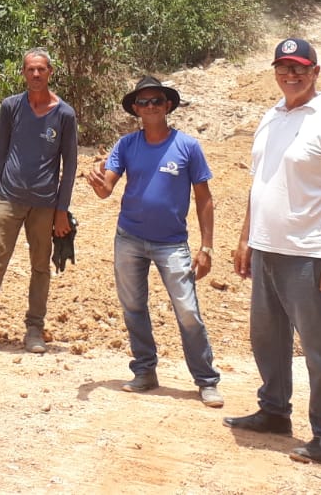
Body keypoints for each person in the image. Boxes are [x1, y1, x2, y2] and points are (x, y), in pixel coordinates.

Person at [225, 38, 321, 467]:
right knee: (267, 338)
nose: (291, 75)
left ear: (315, 72)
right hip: (267, 248)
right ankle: (273, 411)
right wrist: (247, 238)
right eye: (284, 67)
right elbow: (260, 183)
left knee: (319, 349)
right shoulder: (271, 117)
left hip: (309, 255)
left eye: (300, 68)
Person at [87, 76, 223, 408]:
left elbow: (204, 198)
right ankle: (145, 372)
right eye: (143, 102)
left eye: (156, 101)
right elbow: (107, 189)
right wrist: (98, 183)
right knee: (134, 307)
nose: (150, 107)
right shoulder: (126, 145)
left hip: (172, 244)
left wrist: (206, 247)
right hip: (129, 239)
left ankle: (206, 380)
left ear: (168, 105)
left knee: (187, 311)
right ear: (136, 109)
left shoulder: (188, 147)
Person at [0, 48, 78, 355]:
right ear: (23, 73)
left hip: (45, 203)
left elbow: (70, 165)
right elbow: (0, 153)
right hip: (9, 198)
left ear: (50, 72)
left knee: (40, 266)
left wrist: (62, 210)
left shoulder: (64, 114)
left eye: (41, 69)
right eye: (30, 69)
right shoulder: (11, 107)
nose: (36, 74)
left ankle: (35, 328)